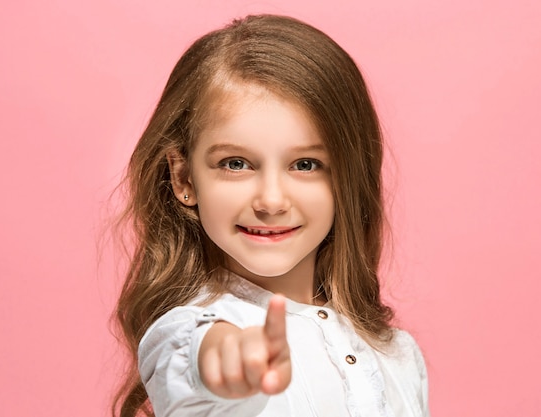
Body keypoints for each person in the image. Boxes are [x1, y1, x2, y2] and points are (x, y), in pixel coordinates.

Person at [113, 14, 429, 417]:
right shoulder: (188, 332)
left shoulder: (398, 353)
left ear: (348, 178)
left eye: (305, 165)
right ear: (182, 176)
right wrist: (222, 357)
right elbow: (195, 355)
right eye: (236, 163)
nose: (272, 200)